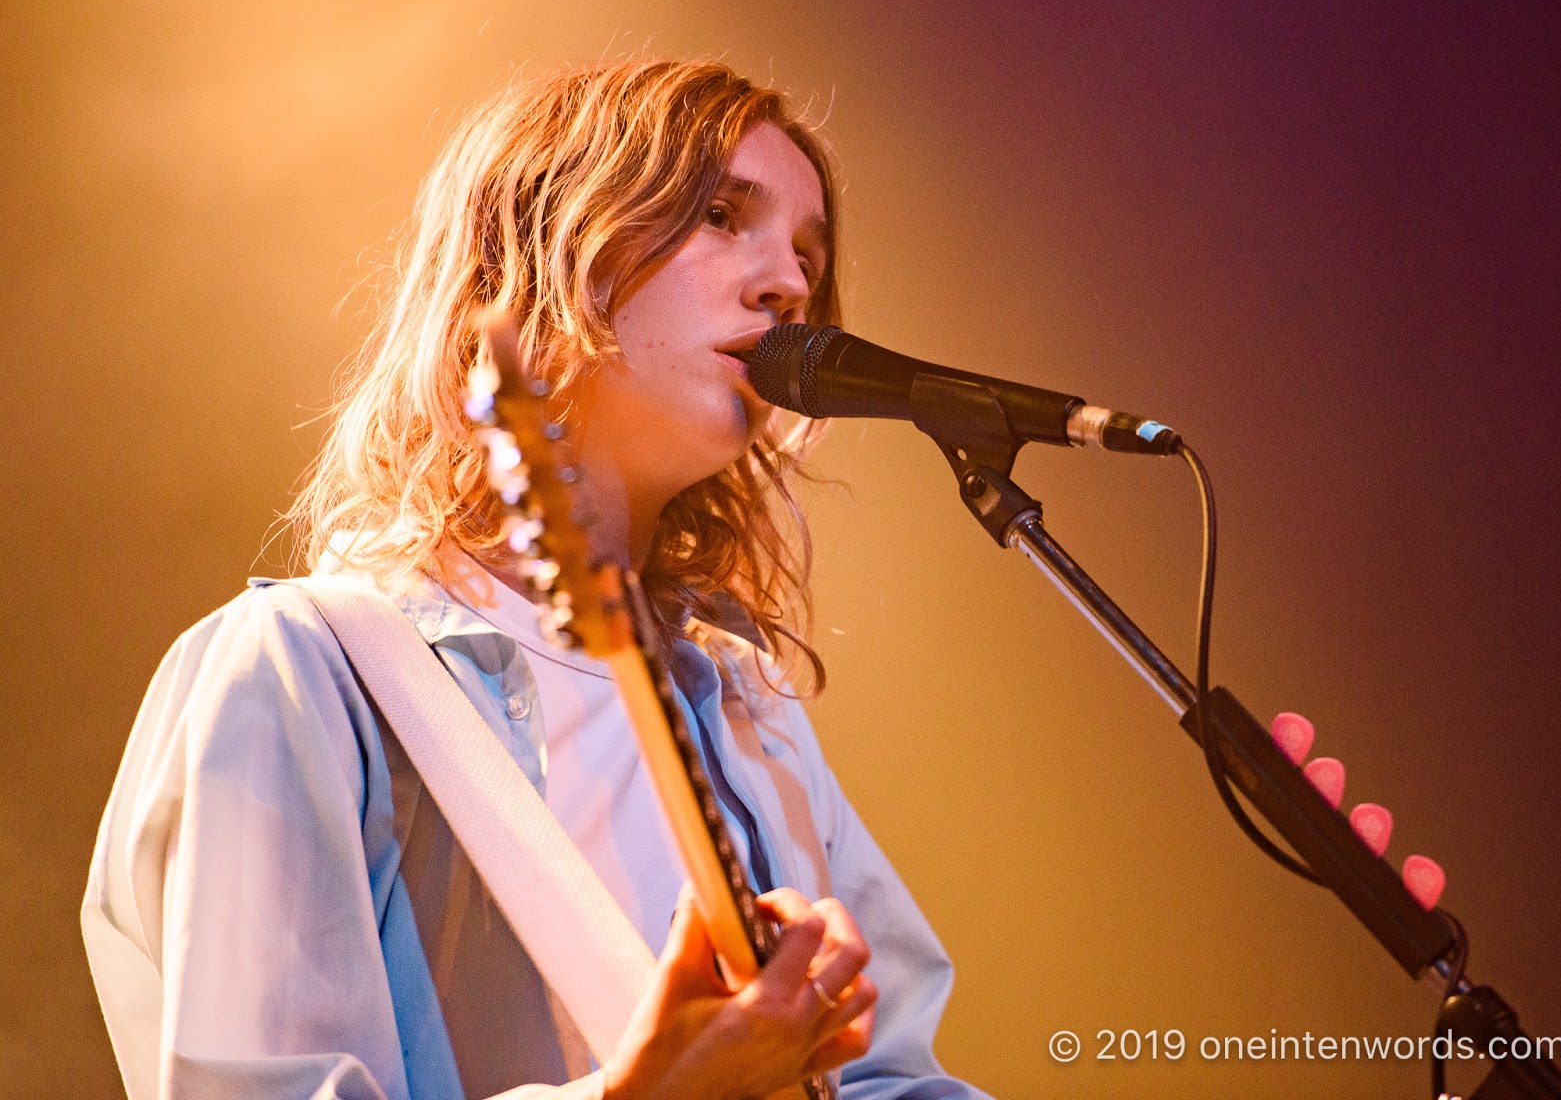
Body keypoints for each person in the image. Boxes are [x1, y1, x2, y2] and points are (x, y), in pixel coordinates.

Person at [82, 60, 991, 1099]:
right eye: (720, 215)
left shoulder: (748, 716)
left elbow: (893, 1075)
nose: (786, 280)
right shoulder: (307, 674)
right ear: (541, 254)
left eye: (807, 252)